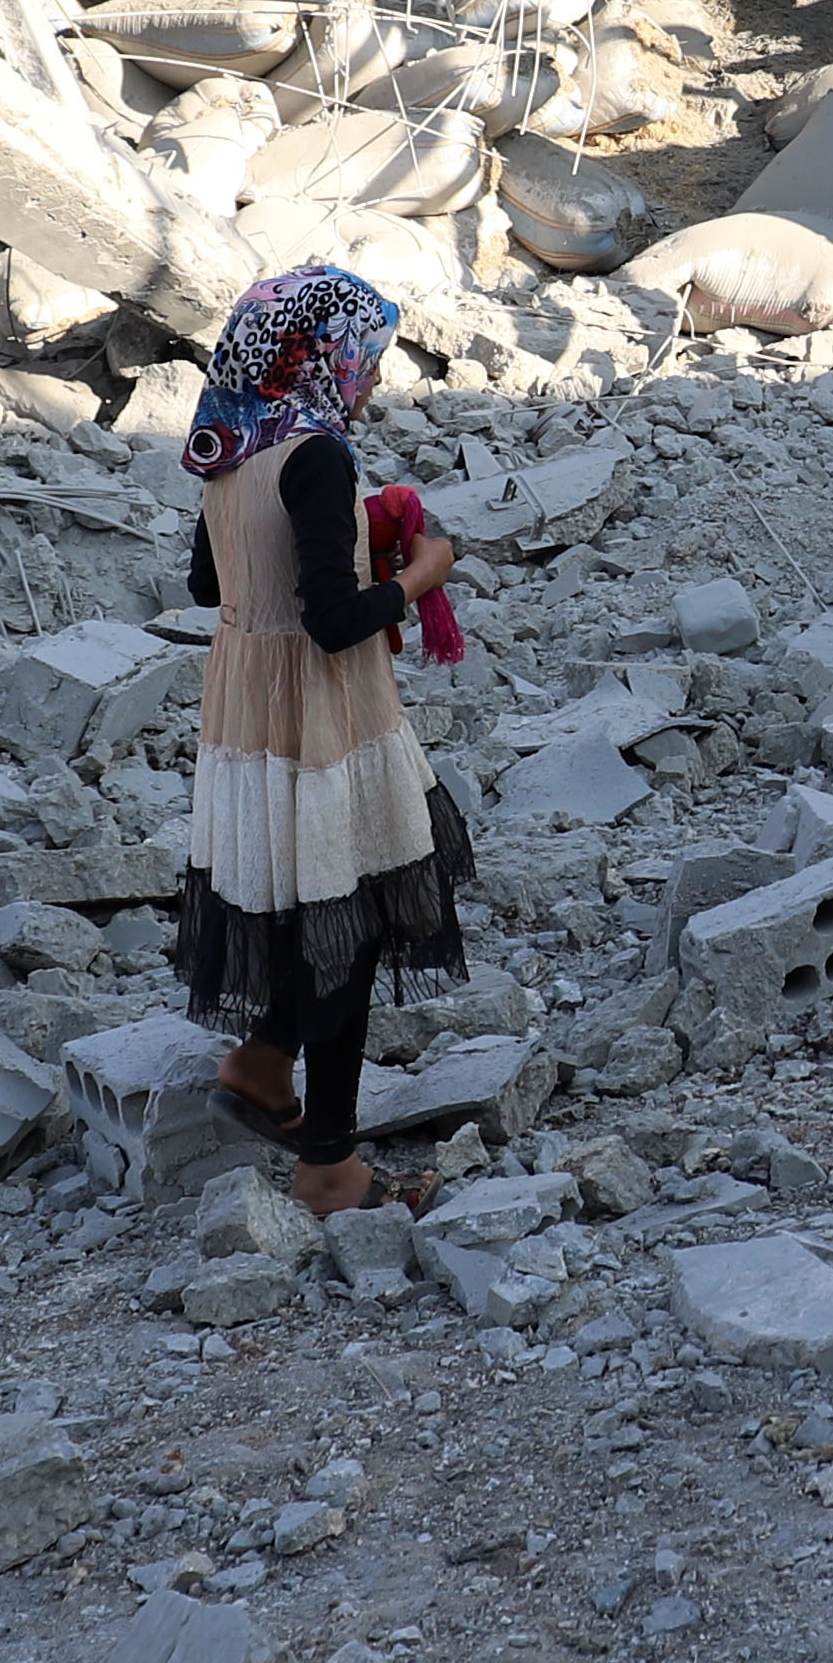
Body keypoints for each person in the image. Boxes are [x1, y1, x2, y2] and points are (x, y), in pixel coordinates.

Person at [170, 264, 474, 1215]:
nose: (375, 375)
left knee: (319, 908)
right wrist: (424, 571)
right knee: (352, 917)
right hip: (322, 714)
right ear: (319, 355)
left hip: (246, 714)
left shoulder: (232, 443)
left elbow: (208, 584)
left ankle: (264, 1061)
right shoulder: (316, 455)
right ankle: (331, 1167)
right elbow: (335, 622)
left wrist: (336, 547)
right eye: (367, 356)